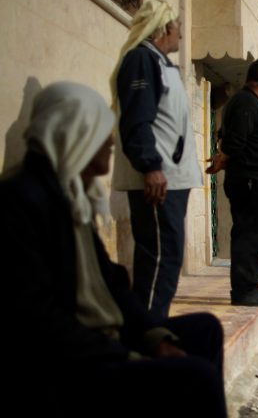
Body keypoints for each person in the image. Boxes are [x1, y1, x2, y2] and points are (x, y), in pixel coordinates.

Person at [3, 82, 226, 417]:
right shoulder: (21, 202)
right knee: (197, 379)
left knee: (205, 330)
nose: (110, 143)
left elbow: (112, 285)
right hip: (70, 361)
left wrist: (155, 337)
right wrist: (123, 353)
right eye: (100, 135)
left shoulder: (70, 197)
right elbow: (37, 320)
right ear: (73, 135)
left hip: (106, 337)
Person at [110, 0, 202, 317]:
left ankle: (151, 328)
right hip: (159, 180)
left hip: (171, 179)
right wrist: (150, 166)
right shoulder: (141, 60)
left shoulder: (159, 63)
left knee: (166, 257)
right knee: (160, 259)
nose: (180, 34)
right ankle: (146, 336)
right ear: (164, 28)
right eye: (177, 27)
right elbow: (137, 118)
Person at [213, 59, 258, 307]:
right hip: (251, 180)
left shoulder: (246, 102)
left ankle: (249, 286)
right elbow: (234, 141)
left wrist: (224, 157)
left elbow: (227, 136)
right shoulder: (245, 102)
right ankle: (244, 291)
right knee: (247, 235)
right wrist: (224, 157)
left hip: (255, 179)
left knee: (252, 235)